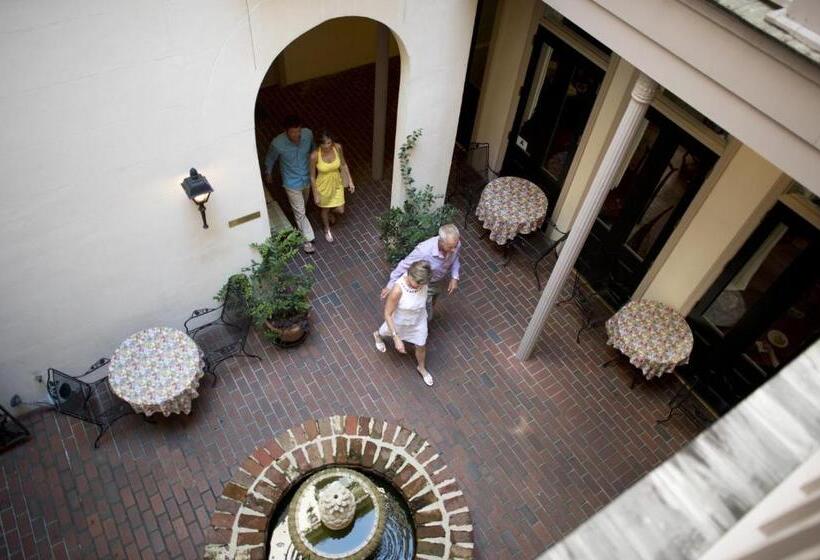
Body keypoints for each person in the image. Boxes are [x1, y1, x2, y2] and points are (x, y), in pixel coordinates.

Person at [380, 224, 461, 321]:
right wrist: (390, 284)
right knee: (427, 315)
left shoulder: (455, 244)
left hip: (438, 281)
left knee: (433, 298)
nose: (454, 250)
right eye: (450, 247)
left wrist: (454, 277)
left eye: (455, 246)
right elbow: (404, 265)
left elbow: (455, 258)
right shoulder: (423, 251)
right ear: (441, 242)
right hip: (425, 283)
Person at [373, 261, 435, 386]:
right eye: (418, 284)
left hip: (418, 320)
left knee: (421, 345)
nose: (421, 286)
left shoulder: (422, 282)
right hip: (400, 321)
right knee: (385, 332)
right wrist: (396, 338)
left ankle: (421, 367)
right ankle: (377, 335)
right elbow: (387, 314)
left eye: (423, 284)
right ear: (410, 275)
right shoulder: (398, 290)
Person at [264, 115, 317, 254]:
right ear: (285, 131)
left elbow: (314, 150)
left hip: (306, 179)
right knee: (300, 211)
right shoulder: (278, 143)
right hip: (291, 182)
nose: (297, 134)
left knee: (302, 207)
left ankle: (298, 220)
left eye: (298, 131)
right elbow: (270, 158)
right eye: (293, 132)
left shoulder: (308, 134)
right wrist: (268, 172)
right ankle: (307, 240)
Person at [309, 130, 355, 243]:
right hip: (323, 185)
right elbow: (312, 176)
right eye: (324, 143)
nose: (327, 146)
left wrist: (350, 181)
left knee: (340, 209)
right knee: (324, 209)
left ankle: (330, 213)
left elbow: (343, 164)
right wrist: (315, 194)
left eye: (329, 143)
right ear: (319, 144)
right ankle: (326, 229)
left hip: (337, 182)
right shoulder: (314, 156)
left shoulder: (337, 147)